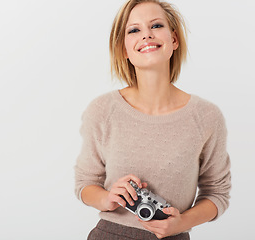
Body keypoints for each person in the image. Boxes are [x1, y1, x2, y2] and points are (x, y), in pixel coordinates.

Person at [74, 0, 231, 239]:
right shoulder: (103, 110)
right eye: (134, 30)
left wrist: (182, 223)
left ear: (174, 40)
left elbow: (217, 193)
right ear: (124, 50)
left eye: (156, 25)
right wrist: (107, 198)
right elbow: (85, 184)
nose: (146, 35)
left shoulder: (207, 116)